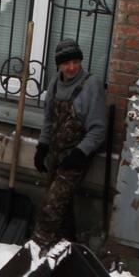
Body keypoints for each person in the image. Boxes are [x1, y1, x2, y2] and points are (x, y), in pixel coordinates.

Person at [32, 39, 107, 247]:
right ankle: (68, 247)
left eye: (76, 62)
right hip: (55, 153)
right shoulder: (55, 82)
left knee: (51, 206)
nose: (72, 67)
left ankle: (38, 249)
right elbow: (49, 119)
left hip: (77, 156)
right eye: (66, 63)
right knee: (61, 207)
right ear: (59, 65)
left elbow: (99, 129)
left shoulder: (92, 85)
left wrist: (79, 154)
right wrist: (42, 147)